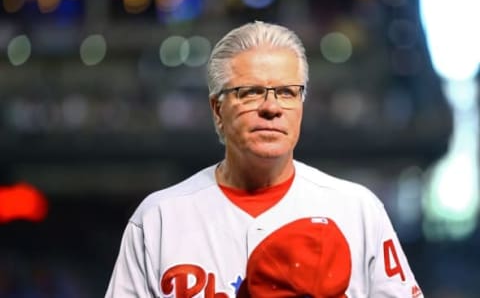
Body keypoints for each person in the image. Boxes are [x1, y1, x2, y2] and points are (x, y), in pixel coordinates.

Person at [105, 21, 423, 297]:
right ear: (218, 110)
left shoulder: (357, 210)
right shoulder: (158, 218)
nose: (271, 107)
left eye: (287, 92)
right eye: (251, 92)